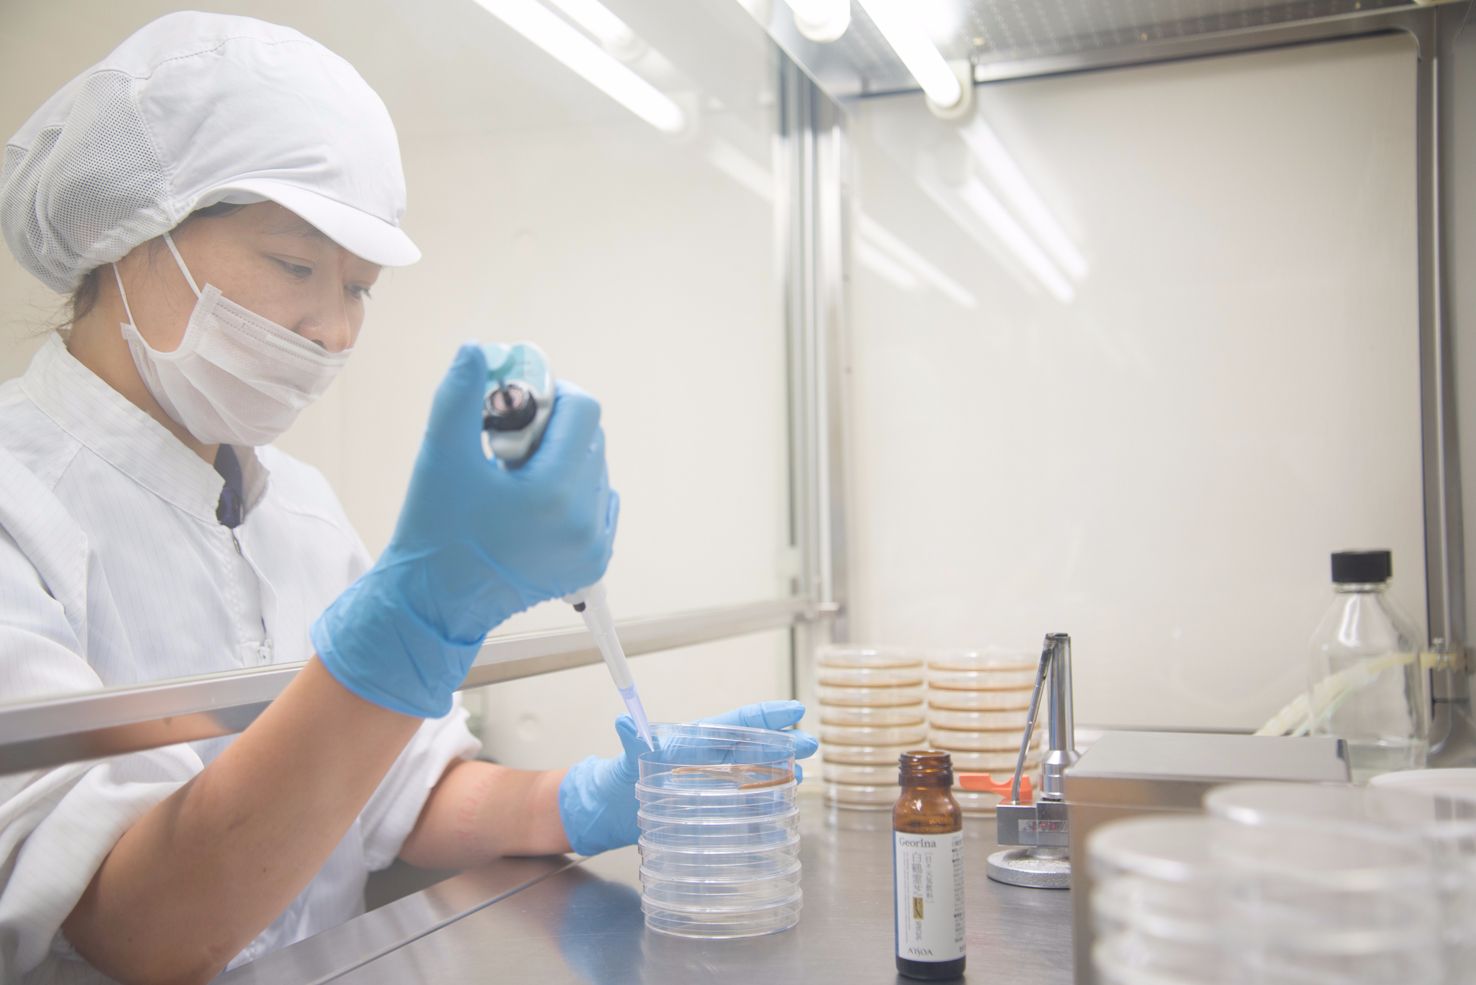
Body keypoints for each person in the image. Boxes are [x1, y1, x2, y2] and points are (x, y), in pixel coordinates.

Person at [0, 13, 816, 984]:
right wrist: (412, 627)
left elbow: (400, 794)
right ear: (127, 234)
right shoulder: (19, 501)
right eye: (296, 265)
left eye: (360, 288)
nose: (335, 330)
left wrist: (581, 799)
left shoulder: (298, 510)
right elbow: (134, 926)